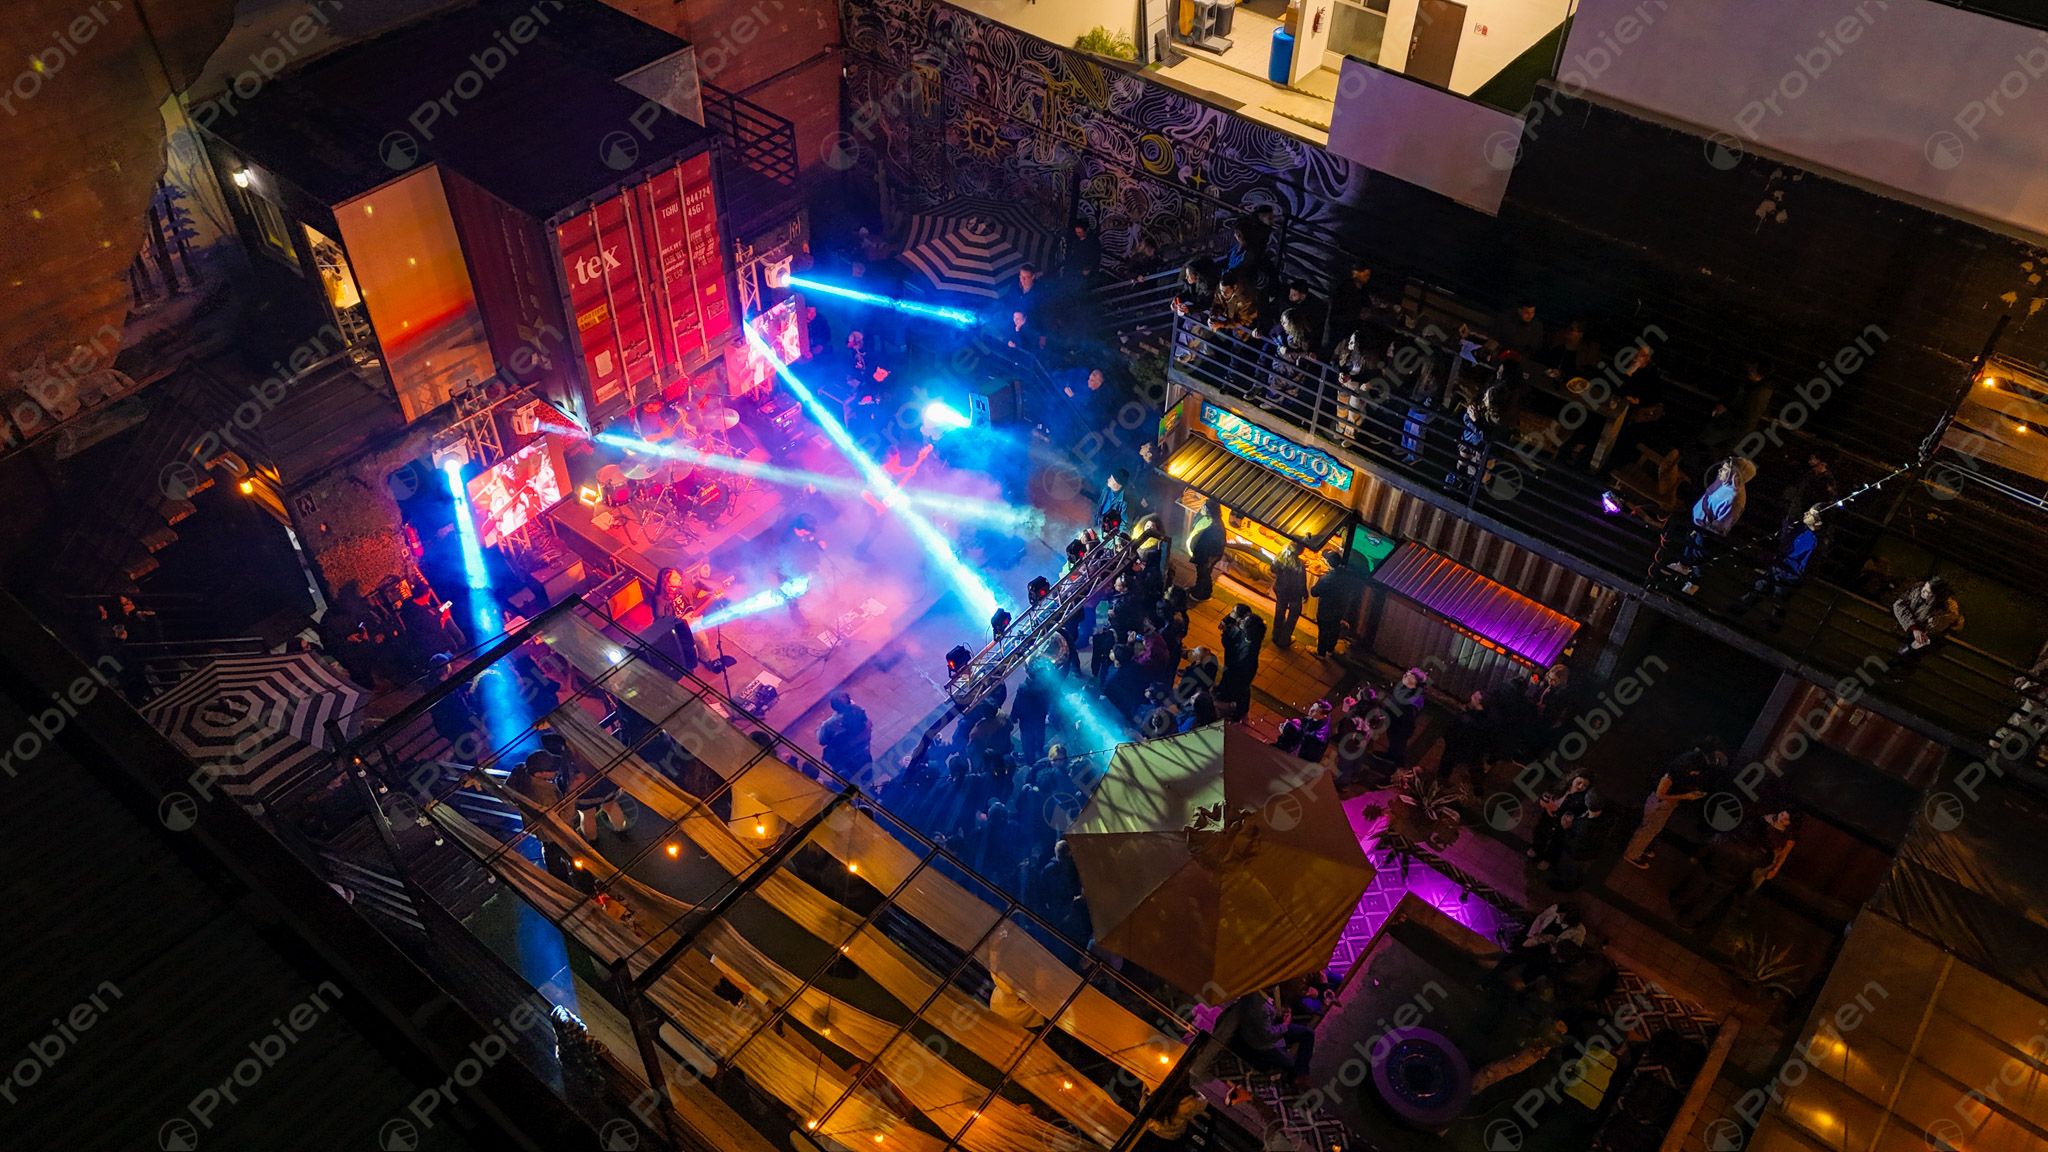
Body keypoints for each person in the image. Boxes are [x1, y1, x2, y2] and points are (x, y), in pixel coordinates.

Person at [1661, 456, 1757, 593]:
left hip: (1706, 532)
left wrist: (1703, 530)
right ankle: (1682, 566)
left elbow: (1721, 524)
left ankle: (1693, 584)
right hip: (1698, 523)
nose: (1720, 471)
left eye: (1725, 469)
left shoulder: (1734, 499)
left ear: (1735, 475)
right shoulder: (1723, 482)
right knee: (1690, 544)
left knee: (1699, 556)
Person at [1621, 741, 1719, 868]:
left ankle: (1639, 848)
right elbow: (1660, 794)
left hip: (1664, 805)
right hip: (1660, 805)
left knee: (1652, 829)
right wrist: (1686, 796)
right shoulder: (1671, 776)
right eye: (1695, 771)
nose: (1696, 774)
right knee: (1648, 830)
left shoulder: (1680, 768)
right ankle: (1632, 854)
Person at [1729, 506, 1824, 630]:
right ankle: (1735, 613)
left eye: (1811, 514)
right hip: (1778, 566)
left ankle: (1771, 627)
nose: (1806, 514)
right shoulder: (1800, 527)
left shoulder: (1815, 542)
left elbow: (1806, 566)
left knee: (1778, 600)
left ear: (1818, 521)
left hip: (1789, 574)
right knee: (1760, 589)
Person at [1225, 988, 1316, 1087]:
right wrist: (1285, 1024)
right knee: (1290, 1064)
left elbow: (1270, 1015)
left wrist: (1282, 1012)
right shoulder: (1258, 1005)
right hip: (1264, 1043)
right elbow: (1267, 1035)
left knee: (1308, 1034)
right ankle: (1294, 1076)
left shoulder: (1267, 993)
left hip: (1273, 1026)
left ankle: (1301, 1073)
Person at [1889, 575, 1963, 672]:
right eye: (1924, 587)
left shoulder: (1946, 610)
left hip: (1933, 636)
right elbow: (1899, 604)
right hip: (1916, 630)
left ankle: (1902, 669)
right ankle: (1898, 665)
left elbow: (1932, 627)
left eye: (1928, 592)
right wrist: (1914, 627)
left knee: (1913, 651)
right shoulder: (1918, 589)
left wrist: (1913, 624)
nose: (1923, 592)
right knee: (1907, 648)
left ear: (1937, 596)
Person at [1529, 774, 1594, 871]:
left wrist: (1560, 814)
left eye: (1585, 786)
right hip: (1548, 816)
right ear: (1574, 779)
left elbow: (1576, 814)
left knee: (1556, 841)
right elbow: (1547, 794)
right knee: (1541, 832)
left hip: (1562, 822)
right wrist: (1545, 802)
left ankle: (1548, 859)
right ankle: (1536, 848)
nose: (1581, 786)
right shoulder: (1560, 787)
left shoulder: (1582, 800)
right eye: (1579, 782)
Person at [1436, 690, 1498, 789]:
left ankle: (1441, 782)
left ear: (1480, 704)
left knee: (1448, 763)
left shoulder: (1469, 719)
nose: (1471, 697)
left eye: (1474, 697)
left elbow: (1455, 731)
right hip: (1464, 749)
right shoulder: (1484, 719)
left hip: (1459, 747)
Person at [1310, 551, 1365, 659]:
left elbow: (1314, 592)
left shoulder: (1326, 579)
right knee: (1334, 628)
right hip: (1340, 608)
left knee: (1324, 630)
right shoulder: (1347, 576)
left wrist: (1314, 586)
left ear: (1328, 563)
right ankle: (1330, 649)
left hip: (1326, 608)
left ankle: (1321, 653)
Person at [1218, 604, 1266, 720]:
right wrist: (1226, 621)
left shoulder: (1249, 648)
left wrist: (1226, 636)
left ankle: (1239, 711)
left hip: (1240, 672)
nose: (1241, 621)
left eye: (1244, 622)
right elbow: (1240, 611)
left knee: (1240, 690)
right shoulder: (1249, 634)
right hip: (1234, 666)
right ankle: (1225, 695)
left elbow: (1237, 655)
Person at [817, 692, 873, 777]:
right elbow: (868, 726)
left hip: (843, 762)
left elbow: (822, 740)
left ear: (834, 706)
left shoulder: (828, 725)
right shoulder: (859, 712)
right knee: (867, 778)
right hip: (863, 756)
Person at [1382, 667, 1429, 768]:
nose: (1405, 675)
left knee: (1398, 744)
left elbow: (1408, 715)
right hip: (1394, 720)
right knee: (1393, 741)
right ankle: (1391, 756)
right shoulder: (1404, 688)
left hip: (1401, 725)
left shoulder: (1415, 698)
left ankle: (1396, 764)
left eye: (1409, 675)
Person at [1269, 543, 1308, 649]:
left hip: (1280, 588)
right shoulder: (1299, 565)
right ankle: (1284, 639)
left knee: (1280, 611)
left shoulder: (1280, 556)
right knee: (1293, 615)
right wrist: (1305, 594)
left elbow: (1272, 569)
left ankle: (1276, 635)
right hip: (1294, 593)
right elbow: (1302, 582)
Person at [1187, 499, 1227, 601]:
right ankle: (1200, 589)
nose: (1202, 508)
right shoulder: (1207, 519)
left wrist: (1210, 560)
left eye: (1205, 507)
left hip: (1206, 557)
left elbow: (1217, 545)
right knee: (1201, 573)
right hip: (1201, 554)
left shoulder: (1216, 527)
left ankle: (1201, 594)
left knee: (1204, 574)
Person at [1097, 468, 1129, 534]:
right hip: (1097, 525)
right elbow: (1099, 505)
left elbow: (1124, 524)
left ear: (1117, 484)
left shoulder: (1124, 503)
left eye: (1111, 479)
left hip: (1107, 533)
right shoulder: (1106, 489)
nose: (1108, 479)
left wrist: (1116, 536)